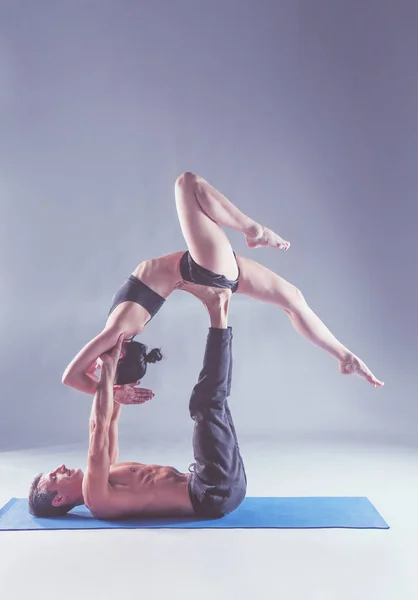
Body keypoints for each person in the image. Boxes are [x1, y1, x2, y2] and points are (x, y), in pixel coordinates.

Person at [61, 171, 384, 404]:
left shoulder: (121, 336)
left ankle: (345, 357)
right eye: (103, 366)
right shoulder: (116, 333)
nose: (96, 365)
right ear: (117, 356)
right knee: (187, 184)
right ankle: (254, 230)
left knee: (293, 299)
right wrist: (113, 391)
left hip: (206, 269)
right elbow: (72, 376)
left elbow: (88, 371)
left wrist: (112, 388)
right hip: (203, 268)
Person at [28, 284, 247, 520]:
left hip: (218, 483)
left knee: (215, 400)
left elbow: (109, 422)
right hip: (211, 492)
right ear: (59, 499)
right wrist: (108, 370)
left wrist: (120, 386)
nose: (60, 468)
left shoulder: (107, 471)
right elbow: (97, 428)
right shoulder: (96, 497)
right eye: (54, 478)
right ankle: (218, 311)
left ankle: (220, 312)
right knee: (206, 403)